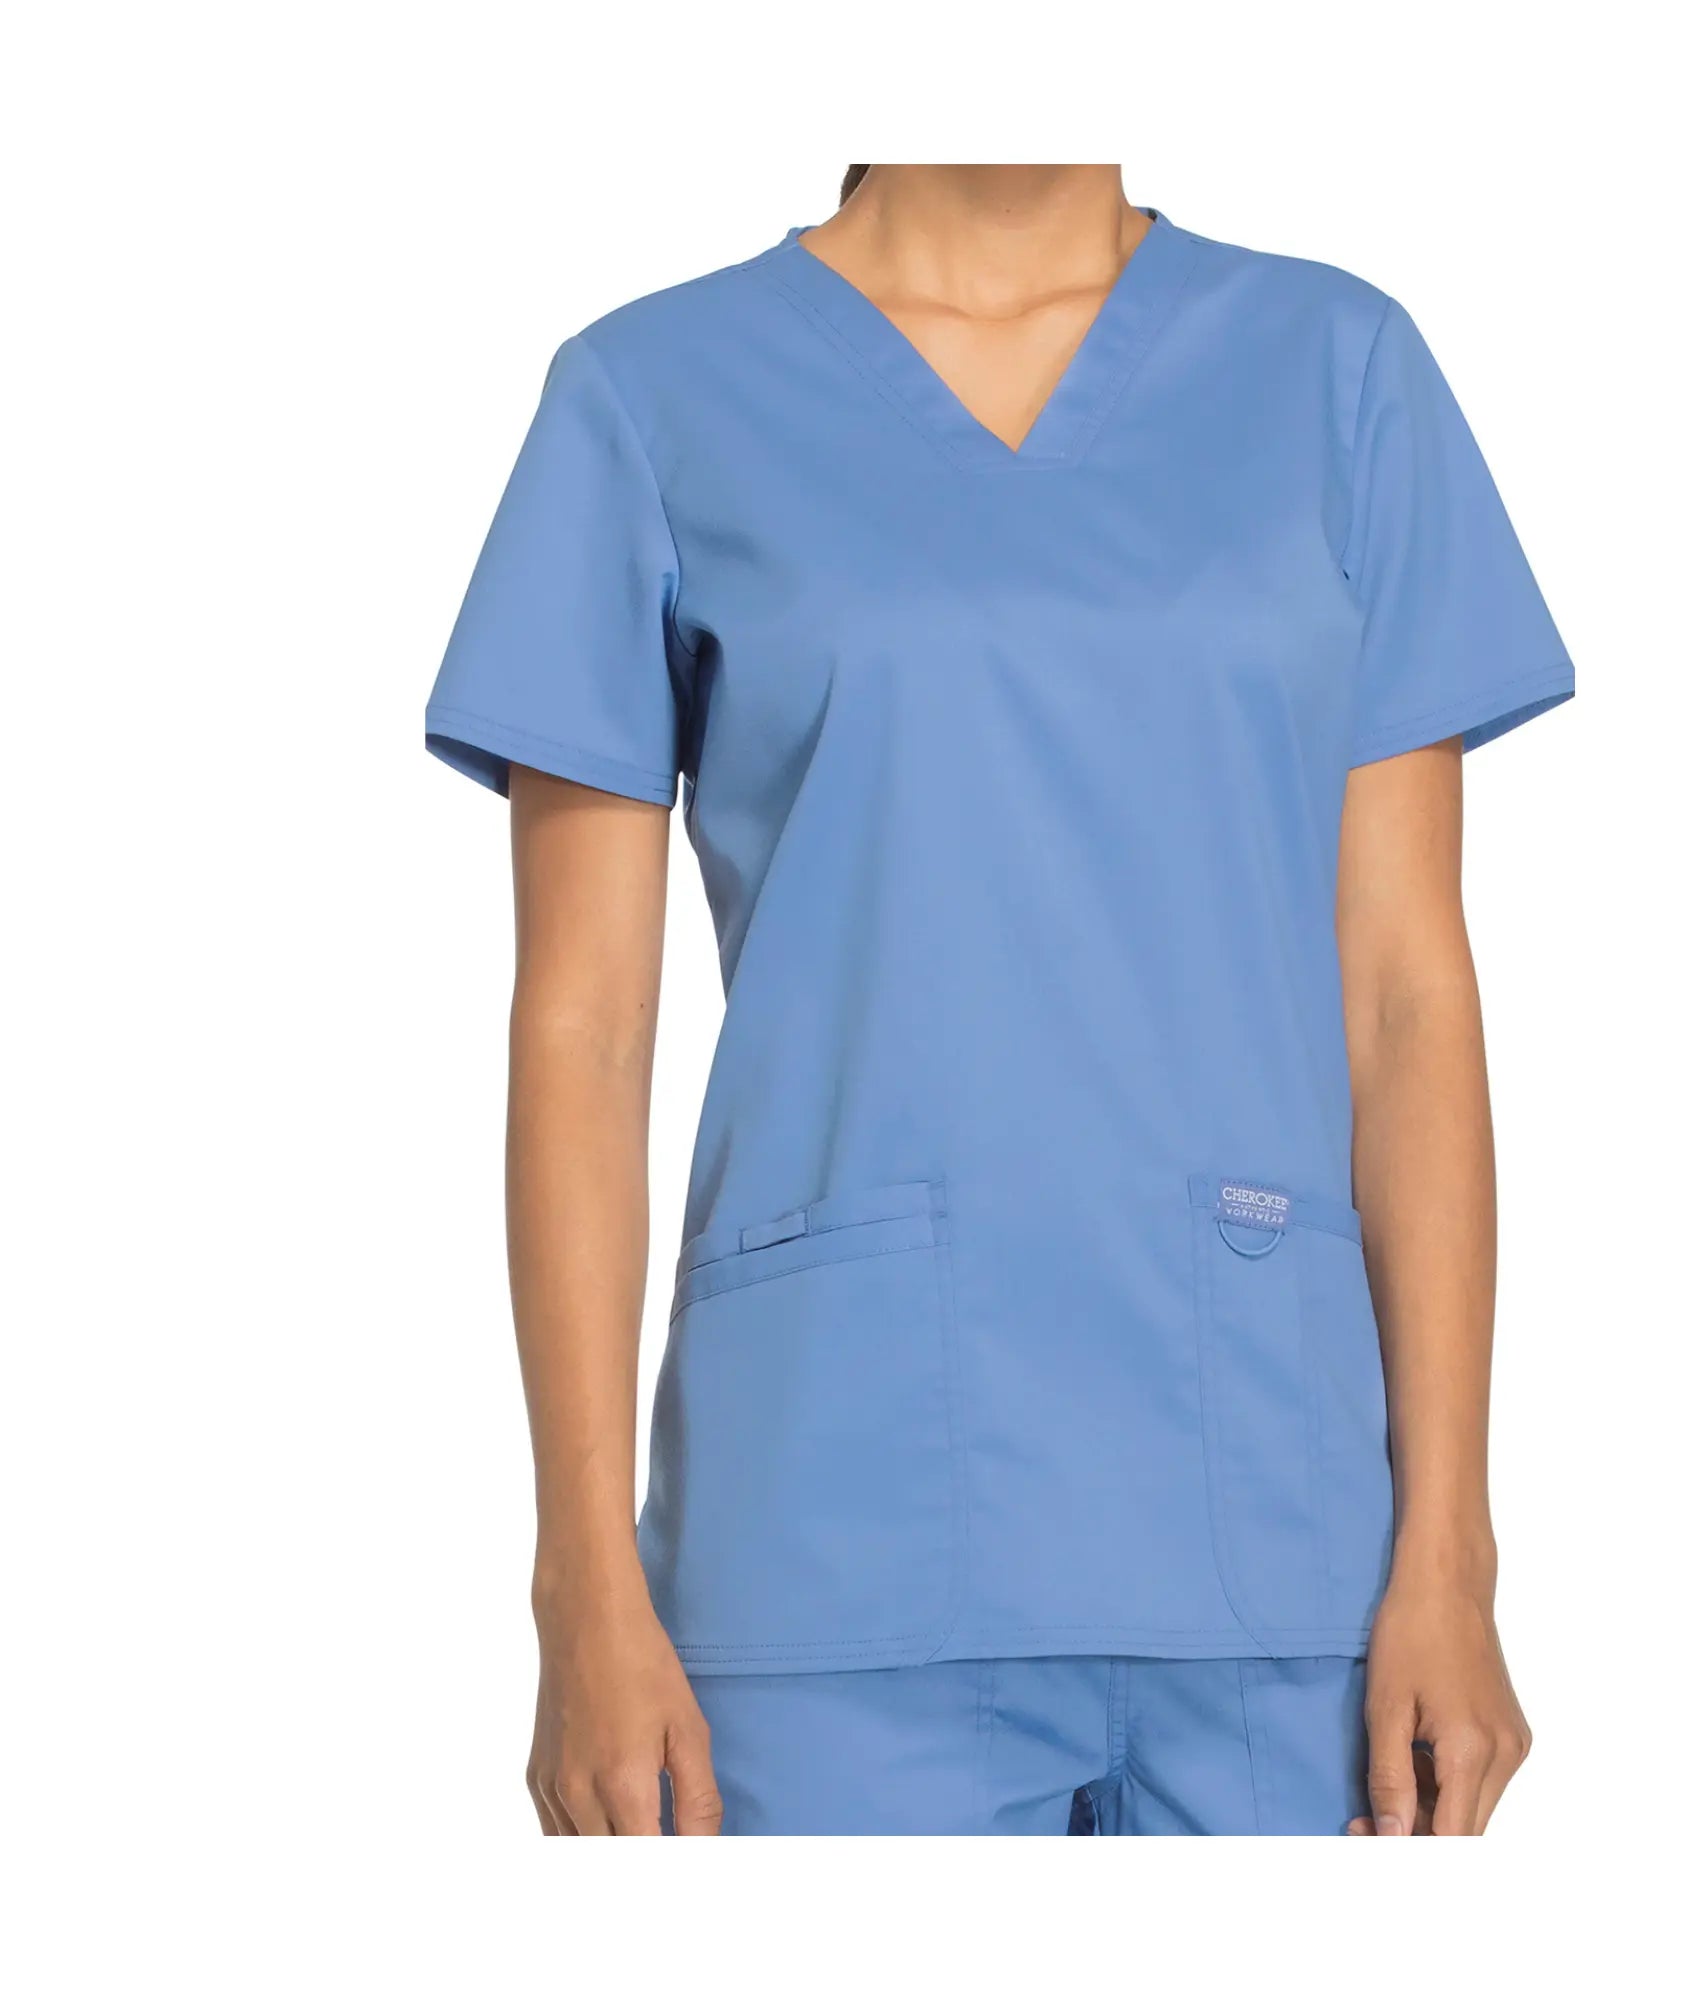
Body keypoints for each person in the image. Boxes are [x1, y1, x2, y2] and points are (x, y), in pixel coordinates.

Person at [425, 164, 1571, 1835]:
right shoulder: (652, 396)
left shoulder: (1341, 371)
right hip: (829, 1556)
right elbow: (583, 1037)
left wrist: (1452, 1559)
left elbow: (1406, 997)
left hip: (1284, 1557)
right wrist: (581, 1589)